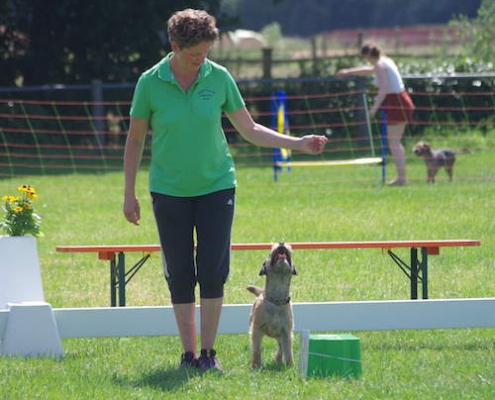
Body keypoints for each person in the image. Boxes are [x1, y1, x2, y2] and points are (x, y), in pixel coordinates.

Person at [123, 8, 328, 372]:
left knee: (213, 271)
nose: (201, 59)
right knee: (181, 273)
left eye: (205, 52)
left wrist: (298, 143)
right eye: (194, 54)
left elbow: (249, 130)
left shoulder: (219, 78)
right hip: (168, 191)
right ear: (174, 46)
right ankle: (188, 355)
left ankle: (208, 354)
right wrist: (129, 193)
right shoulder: (150, 82)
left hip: (217, 187)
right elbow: (135, 139)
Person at [336, 43, 415, 186]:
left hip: (396, 102)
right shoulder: (385, 61)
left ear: (367, 55)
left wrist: (373, 109)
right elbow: (369, 71)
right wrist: (349, 72)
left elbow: (383, 89)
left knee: (394, 143)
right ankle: (402, 177)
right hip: (401, 100)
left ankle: (402, 178)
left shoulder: (380, 64)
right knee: (396, 142)